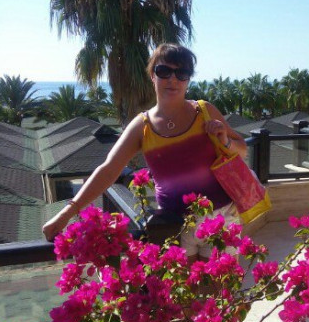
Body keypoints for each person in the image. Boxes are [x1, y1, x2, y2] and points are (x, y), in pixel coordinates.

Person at [42, 43, 247, 259]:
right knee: (186, 282)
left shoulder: (205, 111)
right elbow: (109, 170)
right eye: (164, 71)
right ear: (152, 76)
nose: (173, 79)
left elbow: (242, 150)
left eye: (182, 73)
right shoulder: (142, 126)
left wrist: (225, 141)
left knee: (219, 280)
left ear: (188, 79)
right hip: (173, 225)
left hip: (221, 217)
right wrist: (66, 214)